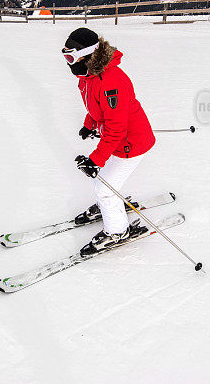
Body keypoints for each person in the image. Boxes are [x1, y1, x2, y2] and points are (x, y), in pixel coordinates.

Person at [62, 27, 156, 255]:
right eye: (65, 56)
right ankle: (110, 206)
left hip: (131, 142)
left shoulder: (111, 81)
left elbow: (116, 128)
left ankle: (117, 230)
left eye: (71, 57)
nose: (68, 63)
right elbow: (96, 107)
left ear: (88, 54)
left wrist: (95, 160)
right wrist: (89, 124)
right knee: (106, 183)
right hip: (119, 137)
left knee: (103, 187)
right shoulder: (88, 75)